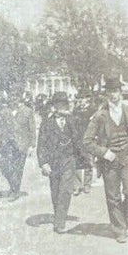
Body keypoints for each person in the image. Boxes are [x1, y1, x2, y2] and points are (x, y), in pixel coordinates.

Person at [82, 80, 128, 243]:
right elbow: (87, 141)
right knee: (113, 196)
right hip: (109, 160)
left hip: (127, 156)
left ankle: (120, 218)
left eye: (115, 91)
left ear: (120, 92)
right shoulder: (99, 115)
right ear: (106, 94)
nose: (113, 94)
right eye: (110, 91)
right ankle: (120, 229)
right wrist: (104, 152)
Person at [36, 92, 82, 233]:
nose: (61, 107)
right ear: (54, 106)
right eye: (59, 104)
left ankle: (60, 222)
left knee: (65, 190)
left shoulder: (72, 120)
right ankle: (59, 215)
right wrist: (44, 163)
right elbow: (41, 144)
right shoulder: (47, 123)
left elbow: (78, 139)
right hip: (53, 162)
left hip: (69, 160)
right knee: (55, 191)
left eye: (64, 104)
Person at [0, 92, 36, 199]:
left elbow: (32, 129)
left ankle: (15, 190)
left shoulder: (27, 111)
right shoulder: (4, 112)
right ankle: (13, 187)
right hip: (7, 143)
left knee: (18, 168)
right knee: (5, 166)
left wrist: (32, 145)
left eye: (16, 98)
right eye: (12, 98)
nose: (14, 100)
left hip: (22, 144)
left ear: (20, 98)